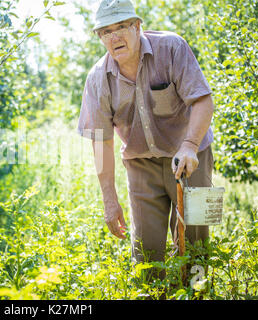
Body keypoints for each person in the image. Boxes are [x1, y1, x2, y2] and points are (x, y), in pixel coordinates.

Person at [77, 0, 214, 276]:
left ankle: (199, 294)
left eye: (122, 26)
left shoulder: (172, 47)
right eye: (105, 31)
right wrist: (109, 200)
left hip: (193, 154)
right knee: (145, 253)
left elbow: (204, 101)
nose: (114, 36)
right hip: (140, 164)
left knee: (198, 245)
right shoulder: (97, 79)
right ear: (100, 37)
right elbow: (101, 143)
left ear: (138, 26)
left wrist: (189, 145)